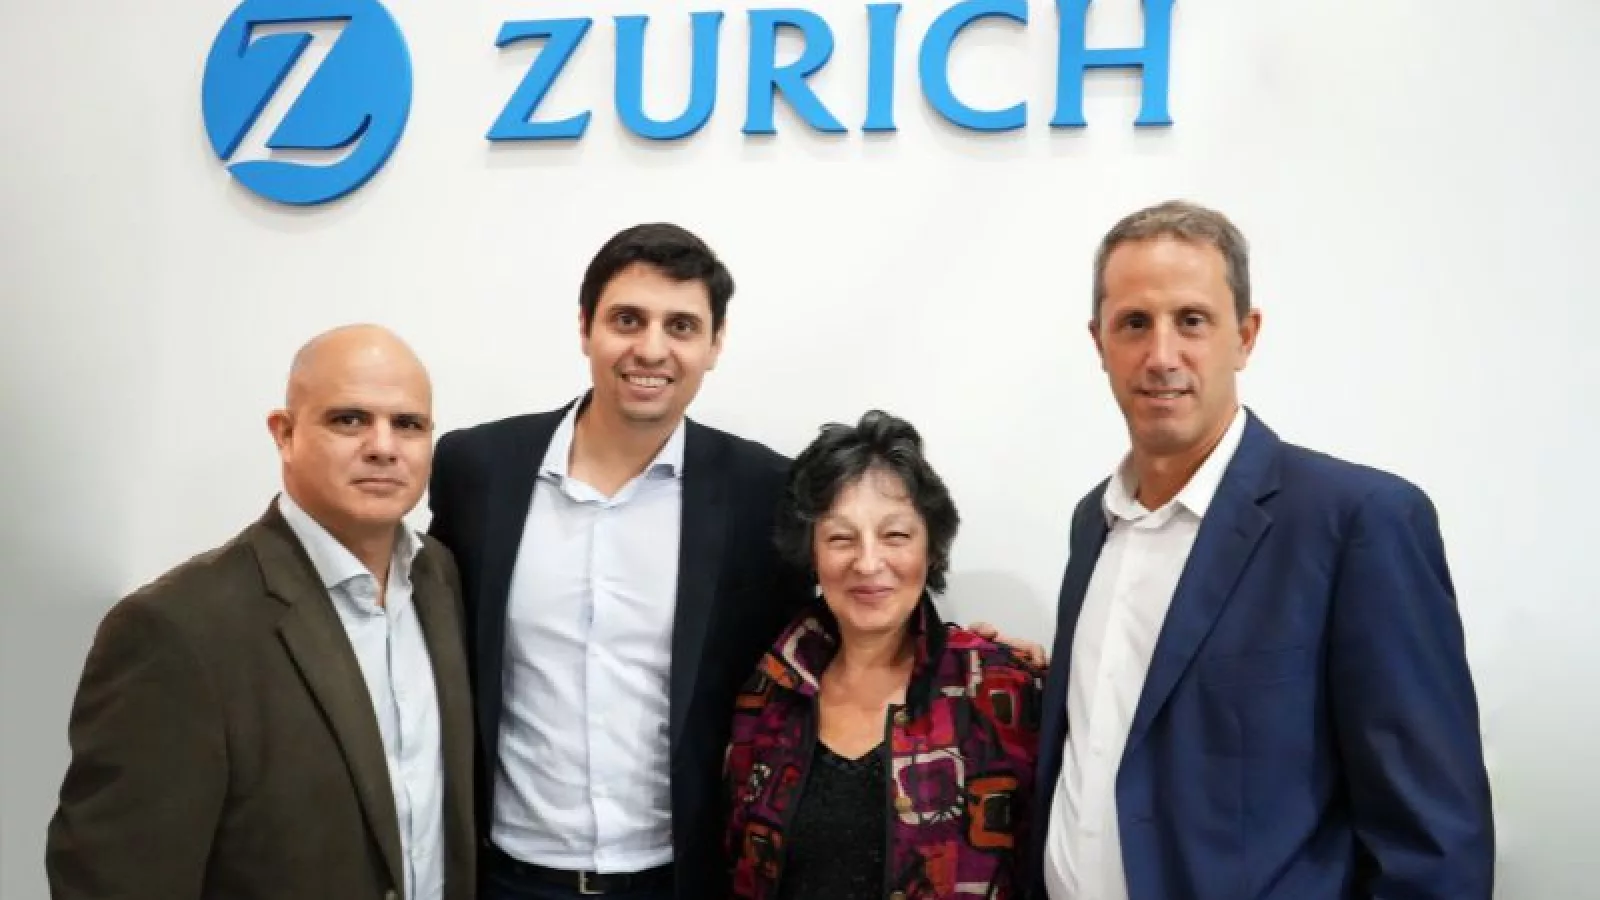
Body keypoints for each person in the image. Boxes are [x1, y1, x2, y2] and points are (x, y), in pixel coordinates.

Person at [426, 222, 1043, 900]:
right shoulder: (478, 469)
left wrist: (963, 655)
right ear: (584, 326)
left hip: (686, 878)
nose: (651, 348)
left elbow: (840, 620)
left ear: (715, 343)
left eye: (681, 326)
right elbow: (428, 625)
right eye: (627, 319)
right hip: (507, 874)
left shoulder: (761, 491)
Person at [1031, 200, 1496, 900]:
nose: (1161, 356)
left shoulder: (1358, 521)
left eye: (1192, 320)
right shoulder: (1093, 522)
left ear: (1245, 337)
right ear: (1099, 343)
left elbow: (1434, 842)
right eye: (1135, 323)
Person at [45, 324, 477, 900]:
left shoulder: (445, 582)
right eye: (349, 419)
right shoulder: (176, 629)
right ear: (284, 433)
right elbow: (115, 881)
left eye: (408, 424)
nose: (383, 446)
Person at [723, 410, 1044, 900]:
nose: (868, 563)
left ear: (930, 548)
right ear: (812, 554)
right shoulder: (770, 692)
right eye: (840, 538)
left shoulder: (999, 689)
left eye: (895, 535)